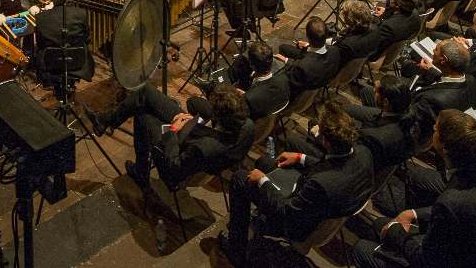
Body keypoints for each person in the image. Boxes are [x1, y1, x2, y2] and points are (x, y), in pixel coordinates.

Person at [221, 102, 374, 268]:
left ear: (326, 142)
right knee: (266, 162)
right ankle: (257, 218)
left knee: (240, 178)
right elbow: (335, 165)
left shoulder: (320, 185)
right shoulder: (364, 154)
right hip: (322, 205)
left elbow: (286, 212)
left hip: (297, 224)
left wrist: (262, 181)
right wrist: (300, 157)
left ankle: (236, 249)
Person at [353, 110, 476, 268]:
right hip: (473, 254)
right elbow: (460, 214)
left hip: (452, 261)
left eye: (435, 129)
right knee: (380, 224)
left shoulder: (452, 202)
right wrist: (413, 213)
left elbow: (425, 262)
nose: (432, 129)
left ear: (445, 148)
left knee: (361, 249)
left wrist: (396, 233)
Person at [88, 82, 253, 190]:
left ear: (219, 117)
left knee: (143, 114)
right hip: (192, 131)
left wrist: (173, 131)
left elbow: (173, 168)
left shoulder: (206, 148)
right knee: (146, 92)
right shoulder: (246, 125)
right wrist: (197, 121)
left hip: (176, 150)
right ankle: (105, 121)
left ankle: (141, 172)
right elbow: (213, 130)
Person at [402, 39, 476, 148]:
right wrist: (431, 70)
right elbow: (448, 82)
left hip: (409, 136)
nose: (433, 50)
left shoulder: (434, 100)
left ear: (443, 60)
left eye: (436, 49)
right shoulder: (471, 80)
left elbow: (407, 121)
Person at [32, 0, 93, 84]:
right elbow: (87, 38)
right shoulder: (81, 14)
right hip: (78, 61)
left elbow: (40, 44)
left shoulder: (41, 18)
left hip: (51, 63)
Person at [276, 16, 341, 95]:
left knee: (282, 49)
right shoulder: (335, 51)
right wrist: (307, 46)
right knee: (284, 48)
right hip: (323, 78)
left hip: (301, 91)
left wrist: (286, 60)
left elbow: (294, 81)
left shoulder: (302, 66)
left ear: (307, 36)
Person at [227, 41, 290, 120]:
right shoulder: (285, 78)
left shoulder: (250, 98)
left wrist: (245, 95)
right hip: (277, 111)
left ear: (252, 66)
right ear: (271, 61)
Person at [333, 0, 378, 66]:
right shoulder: (375, 29)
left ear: (349, 19)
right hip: (359, 65)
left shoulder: (345, 45)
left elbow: (334, 59)